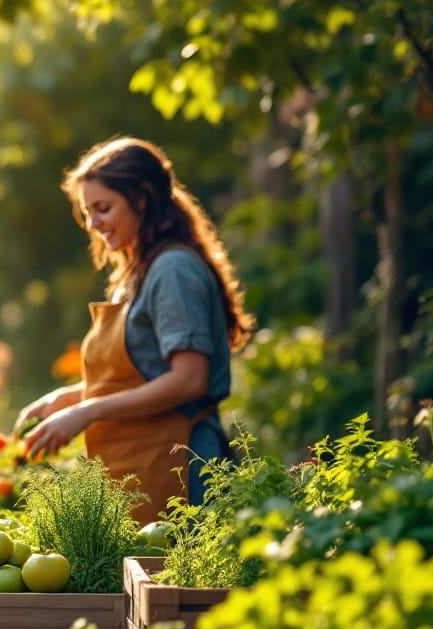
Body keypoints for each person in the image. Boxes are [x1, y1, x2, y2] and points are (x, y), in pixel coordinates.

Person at [13, 136, 254, 522]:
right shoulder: (139, 272)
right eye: (87, 212)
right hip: (142, 463)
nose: (93, 224)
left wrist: (89, 411)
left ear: (141, 198)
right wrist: (68, 399)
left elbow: (189, 380)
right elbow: (144, 375)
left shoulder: (173, 270)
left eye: (103, 208)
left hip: (182, 467)